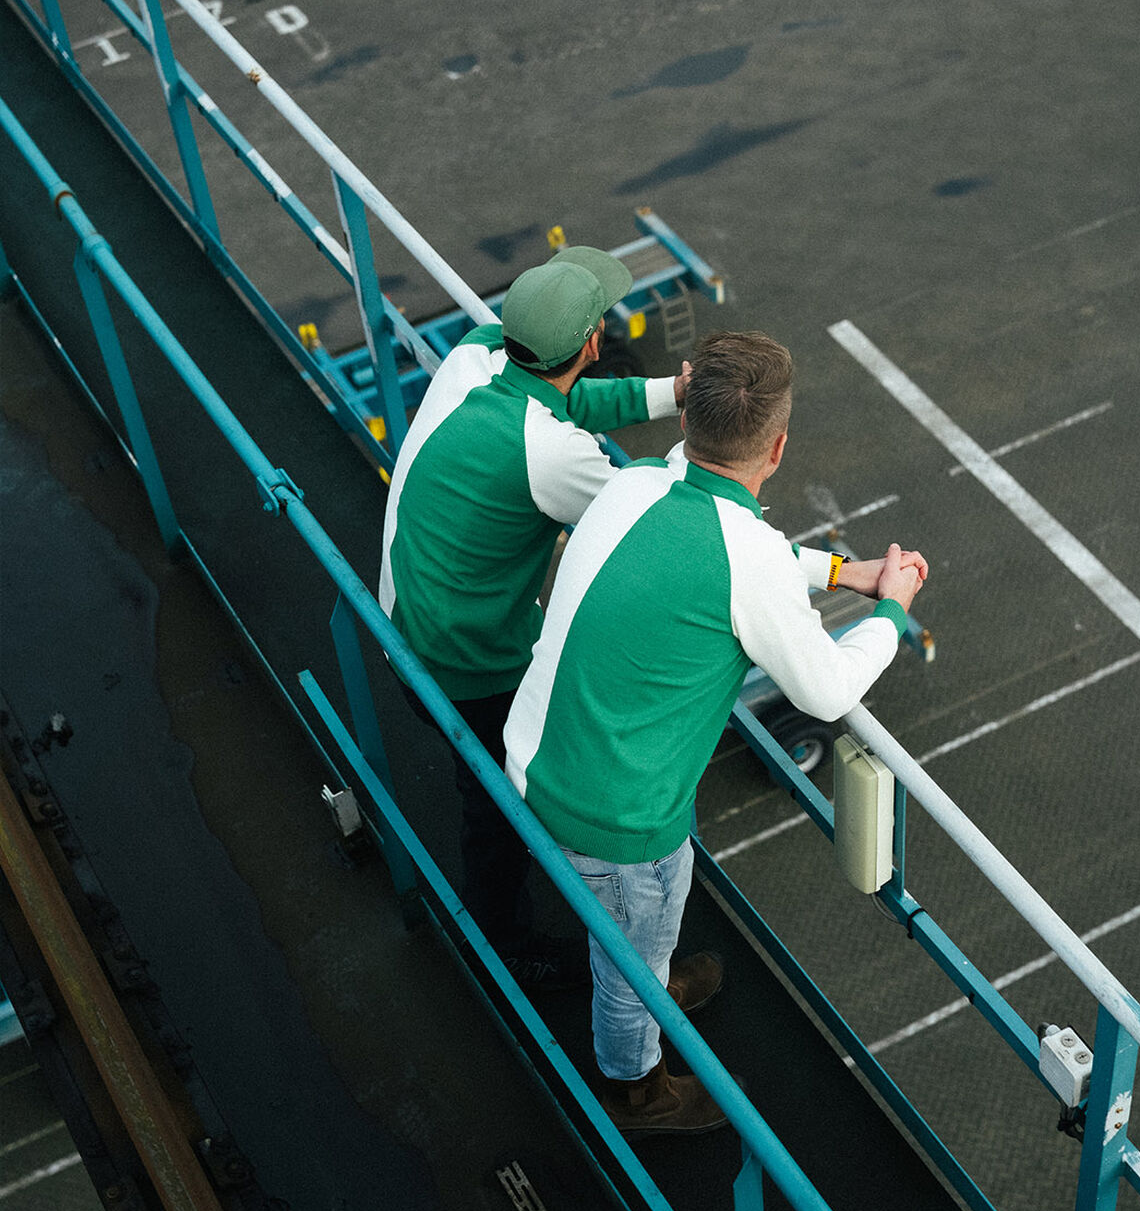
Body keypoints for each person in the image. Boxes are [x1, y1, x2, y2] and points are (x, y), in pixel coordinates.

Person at [504, 330, 927, 1135]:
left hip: (532, 759)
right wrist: (892, 605)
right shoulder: (749, 558)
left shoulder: (637, 483)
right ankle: (638, 1091)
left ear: (689, 421)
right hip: (614, 820)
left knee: (648, 922)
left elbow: (754, 552)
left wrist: (844, 571)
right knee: (631, 957)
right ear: (778, 448)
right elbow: (828, 686)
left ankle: (652, 982)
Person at [379, 246, 690, 988]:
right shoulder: (552, 456)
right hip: (464, 662)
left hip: (405, 620)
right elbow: (649, 531)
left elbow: (561, 401)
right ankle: (509, 946)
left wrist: (672, 392)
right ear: (589, 345)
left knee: (492, 789)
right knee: (502, 807)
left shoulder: (476, 355)